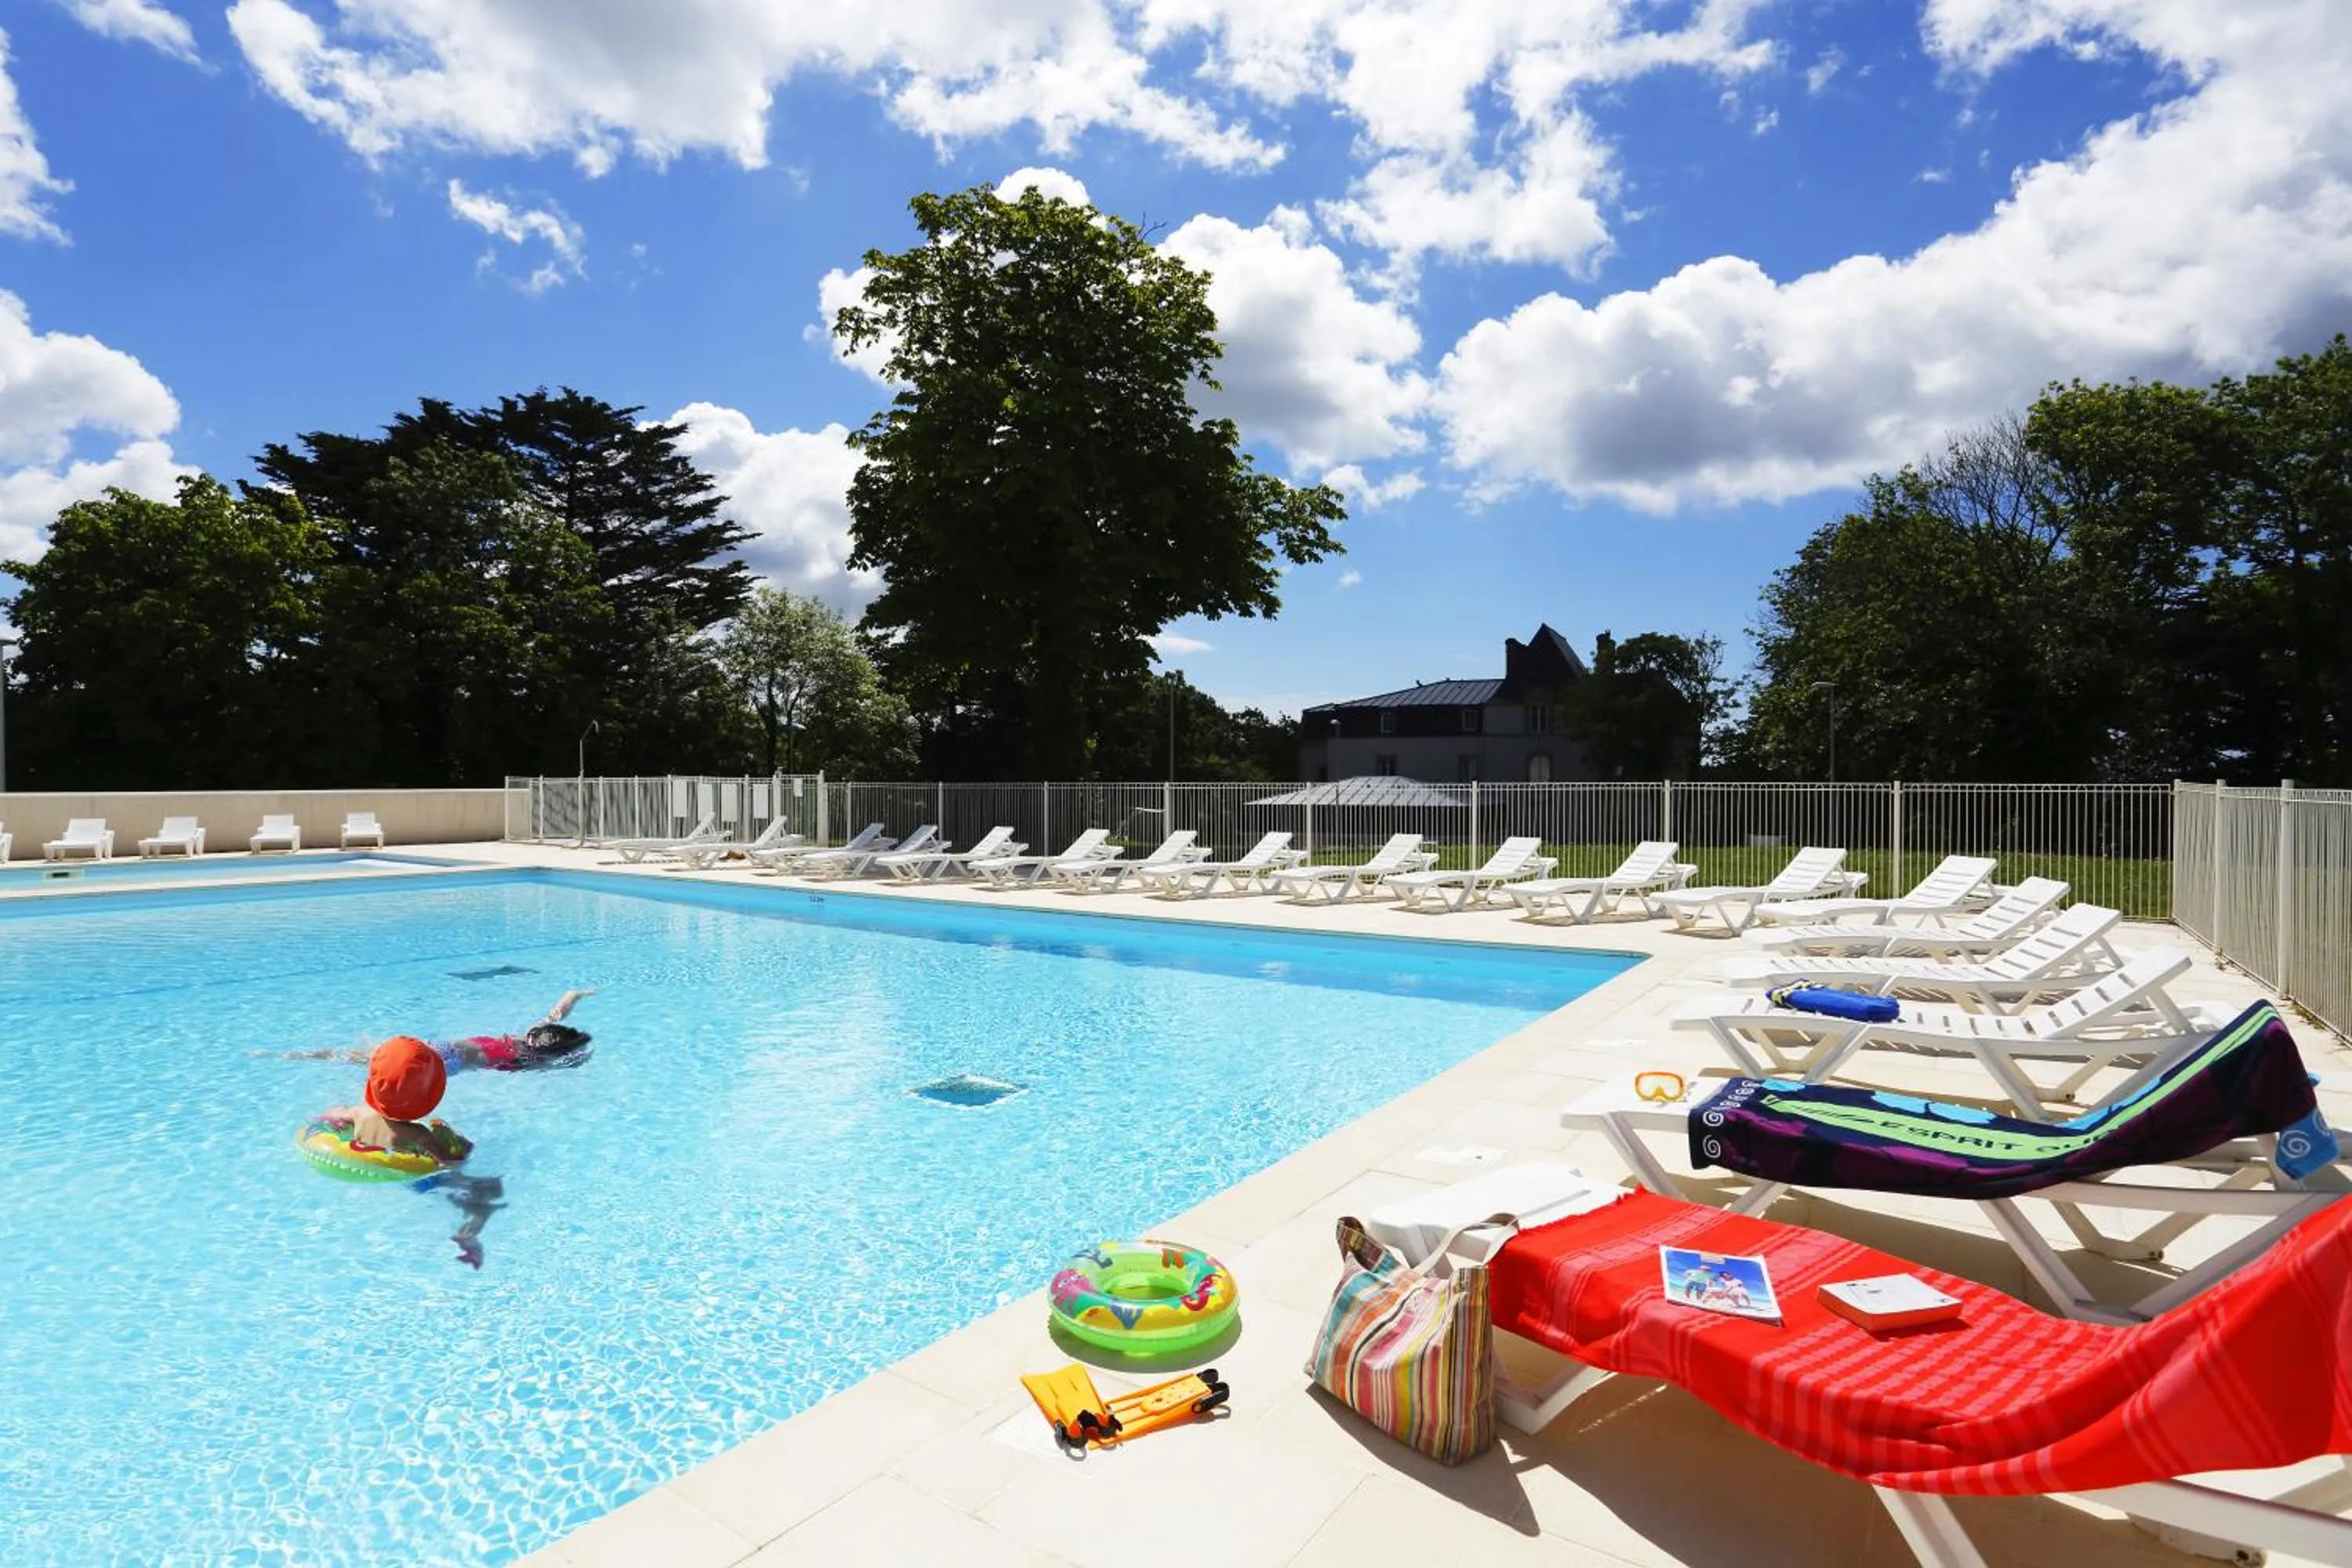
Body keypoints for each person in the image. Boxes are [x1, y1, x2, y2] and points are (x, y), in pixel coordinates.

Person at [263, 989, 597, 1074]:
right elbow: (563, 1059)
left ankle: (307, 1054)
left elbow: (561, 1005)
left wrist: (577, 995)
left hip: (443, 1047)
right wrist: (577, 1061)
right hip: (445, 1062)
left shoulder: (532, 1034)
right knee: (366, 1062)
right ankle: (303, 1055)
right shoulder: (533, 1060)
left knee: (372, 1056)